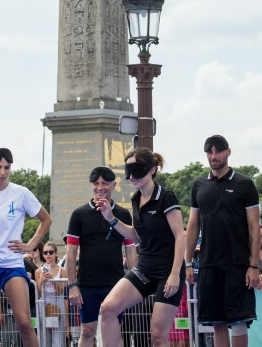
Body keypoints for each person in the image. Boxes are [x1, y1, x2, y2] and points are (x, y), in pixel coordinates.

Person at [97, 147, 186, 347]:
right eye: (128, 171)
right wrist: (111, 218)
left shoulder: (166, 197)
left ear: (152, 170)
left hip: (167, 271)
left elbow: (180, 235)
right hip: (145, 268)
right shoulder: (136, 199)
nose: (132, 177)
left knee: (157, 335)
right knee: (108, 308)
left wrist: (174, 273)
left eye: (137, 170)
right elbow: (135, 236)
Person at [185, 135, 260, 347]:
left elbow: (254, 227)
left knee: (238, 324)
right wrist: (188, 262)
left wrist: (253, 265)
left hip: (238, 264)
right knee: (216, 323)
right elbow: (192, 226)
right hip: (208, 264)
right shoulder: (199, 185)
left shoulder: (244, 184)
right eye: (210, 152)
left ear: (228, 152)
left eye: (218, 151)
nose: (214, 156)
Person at [0, 147, 52, 347]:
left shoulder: (21, 193)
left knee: (25, 323)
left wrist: (30, 245)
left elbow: (45, 219)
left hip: (12, 263)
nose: (2, 172)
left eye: (7, 167)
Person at [65, 165, 137, 346]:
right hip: (87, 284)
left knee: (113, 332)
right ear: (91, 186)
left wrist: (137, 282)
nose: (100, 187)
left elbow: (130, 250)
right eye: (96, 183)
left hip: (115, 284)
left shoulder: (122, 214)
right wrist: (72, 285)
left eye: (105, 183)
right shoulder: (79, 214)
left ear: (113, 185)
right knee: (87, 331)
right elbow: (71, 253)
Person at [35, 243, 68, 347]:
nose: (48, 255)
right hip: (44, 303)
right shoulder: (38, 271)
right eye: (45, 252)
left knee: (58, 338)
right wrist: (41, 281)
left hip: (57, 302)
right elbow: (39, 292)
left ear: (56, 254)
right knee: (44, 337)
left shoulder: (62, 270)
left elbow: (61, 292)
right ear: (43, 254)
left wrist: (53, 279)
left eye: (51, 252)